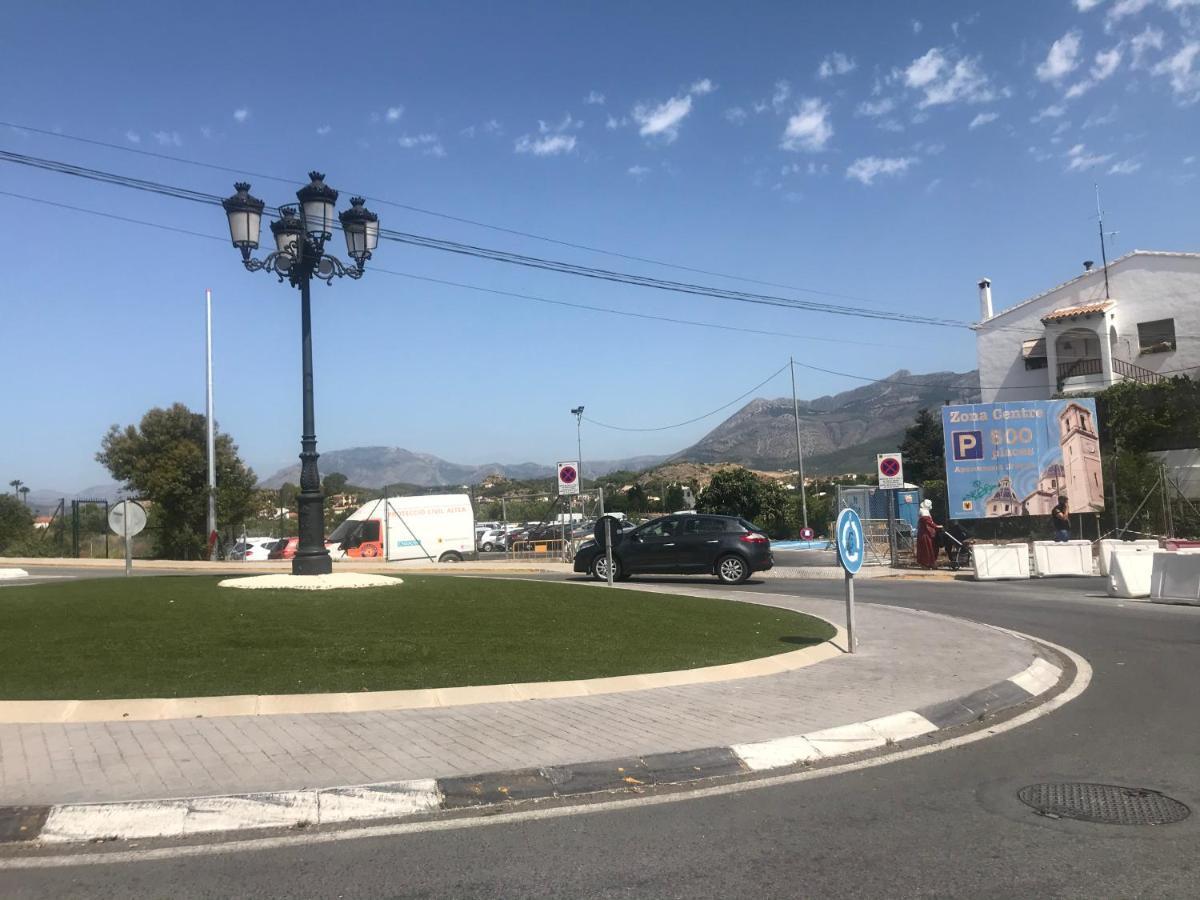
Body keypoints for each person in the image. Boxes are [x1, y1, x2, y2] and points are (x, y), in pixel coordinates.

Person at [916, 498, 944, 569]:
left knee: (931, 548)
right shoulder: (923, 512)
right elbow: (928, 522)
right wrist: (936, 526)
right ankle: (926, 564)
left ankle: (931, 563)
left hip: (927, 533)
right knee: (927, 549)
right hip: (925, 534)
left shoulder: (925, 511)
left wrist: (936, 526)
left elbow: (930, 522)